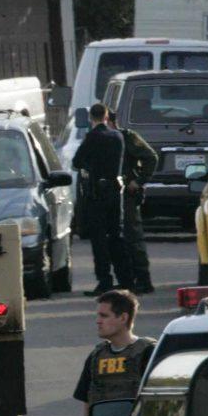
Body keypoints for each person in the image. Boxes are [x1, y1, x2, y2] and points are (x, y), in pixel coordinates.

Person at [73, 289, 157, 416]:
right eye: (98, 315)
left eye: (104, 315)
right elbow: (88, 403)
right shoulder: (96, 356)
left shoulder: (147, 353)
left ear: (123, 318)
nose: (98, 321)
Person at [73, 102, 132, 296]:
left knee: (99, 239)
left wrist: (90, 166)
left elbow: (77, 161)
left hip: (97, 192)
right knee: (117, 236)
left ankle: (105, 280)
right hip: (116, 191)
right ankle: (125, 279)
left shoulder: (92, 137)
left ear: (91, 118)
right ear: (106, 117)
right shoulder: (118, 136)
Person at [108, 111, 159, 294]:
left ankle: (143, 280)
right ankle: (126, 280)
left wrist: (138, 182)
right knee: (116, 240)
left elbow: (151, 158)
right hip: (111, 195)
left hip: (127, 196)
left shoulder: (127, 137)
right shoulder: (104, 139)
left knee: (132, 237)